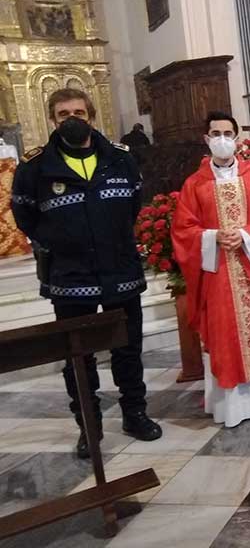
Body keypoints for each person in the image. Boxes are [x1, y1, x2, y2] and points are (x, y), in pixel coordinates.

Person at [11, 88, 161, 458]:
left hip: (119, 272)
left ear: (92, 116)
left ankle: (135, 414)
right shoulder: (35, 168)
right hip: (70, 280)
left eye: (79, 111)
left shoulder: (121, 160)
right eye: (64, 114)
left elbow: (133, 206)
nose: (73, 118)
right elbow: (25, 216)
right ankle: (89, 426)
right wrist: (61, 241)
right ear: (53, 120)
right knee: (79, 357)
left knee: (128, 349)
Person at [172, 111, 250, 426]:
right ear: (206, 139)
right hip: (218, 273)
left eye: (227, 133)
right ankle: (233, 407)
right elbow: (183, 230)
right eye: (215, 134)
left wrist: (244, 235)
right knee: (225, 333)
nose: (222, 140)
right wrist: (214, 237)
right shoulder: (194, 185)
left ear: (237, 137)